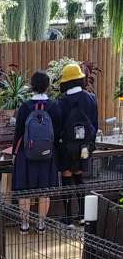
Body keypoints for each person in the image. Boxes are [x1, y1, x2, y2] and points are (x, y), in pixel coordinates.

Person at [12, 70, 61, 233]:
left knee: (24, 191)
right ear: (47, 86)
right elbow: (57, 133)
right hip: (48, 155)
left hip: (26, 154)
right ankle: (41, 225)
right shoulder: (54, 106)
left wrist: (14, 153)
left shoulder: (25, 107)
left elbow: (19, 133)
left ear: (31, 85)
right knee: (44, 191)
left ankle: (24, 225)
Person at [57, 63, 98, 225]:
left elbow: (58, 127)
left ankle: (67, 218)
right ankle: (82, 215)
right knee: (79, 177)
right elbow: (94, 125)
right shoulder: (91, 98)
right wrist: (89, 144)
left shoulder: (61, 102)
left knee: (67, 178)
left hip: (66, 147)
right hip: (84, 147)